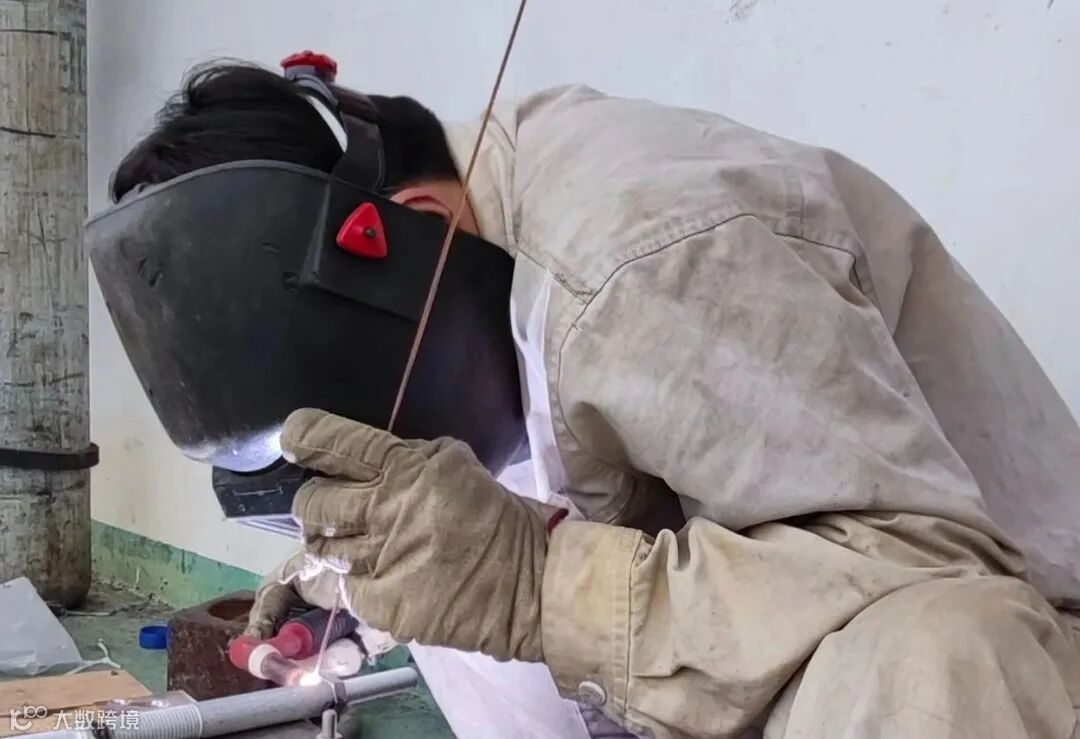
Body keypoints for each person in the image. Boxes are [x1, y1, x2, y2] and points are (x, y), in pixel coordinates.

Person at [103, 60, 1080, 738]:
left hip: (1006, 665)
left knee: (931, 651)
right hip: (758, 662)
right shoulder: (473, 276)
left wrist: (533, 587)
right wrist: (362, 589)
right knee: (475, 581)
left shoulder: (644, 251)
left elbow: (907, 574)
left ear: (411, 233)